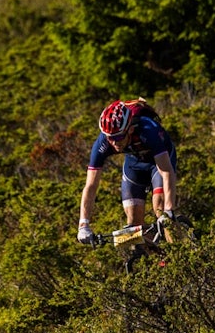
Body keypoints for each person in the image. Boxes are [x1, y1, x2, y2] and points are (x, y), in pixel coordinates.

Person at [77, 99, 180, 254]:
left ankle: (178, 256)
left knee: (160, 210)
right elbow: (90, 186)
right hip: (134, 166)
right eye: (109, 137)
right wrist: (83, 225)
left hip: (158, 163)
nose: (113, 142)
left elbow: (166, 171)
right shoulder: (104, 142)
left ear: (130, 129)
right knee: (133, 227)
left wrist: (169, 210)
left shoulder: (148, 129)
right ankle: (153, 259)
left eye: (118, 137)